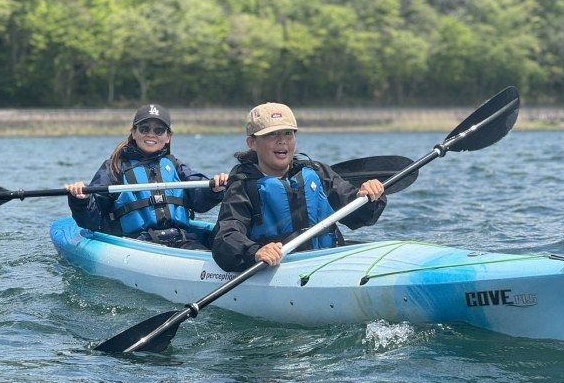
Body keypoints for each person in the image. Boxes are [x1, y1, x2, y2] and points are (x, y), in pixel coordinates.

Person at [211, 102, 386, 271]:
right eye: (272, 134)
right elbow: (226, 237)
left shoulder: (317, 173)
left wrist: (369, 196)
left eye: (288, 133)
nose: (282, 141)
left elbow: (361, 216)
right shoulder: (243, 186)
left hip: (325, 261)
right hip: (276, 267)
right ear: (252, 143)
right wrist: (255, 252)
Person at [65, 104, 228, 250]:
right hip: (136, 244)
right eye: (144, 129)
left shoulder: (176, 166)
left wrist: (215, 189)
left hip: (182, 240)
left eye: (159, 130)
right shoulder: (114, 166)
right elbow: (93, 220)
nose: (151, 134)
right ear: (134, 133)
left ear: (168, 137)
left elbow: (200, 199)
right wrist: (81, 200)